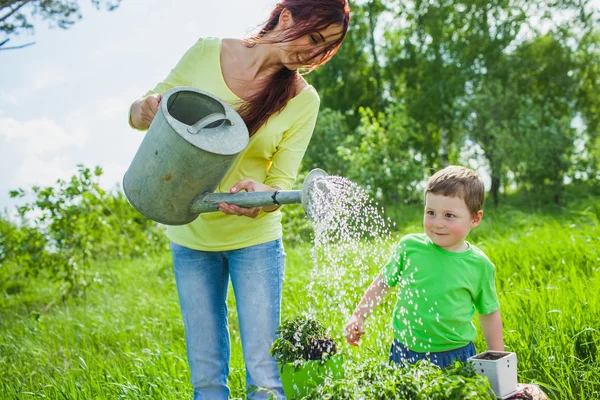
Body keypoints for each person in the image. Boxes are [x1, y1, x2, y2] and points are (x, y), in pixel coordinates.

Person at [128, 1, 350, 399]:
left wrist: (261, 199)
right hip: (191, 235)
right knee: (206, 372)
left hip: (256, 243)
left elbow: (280, 183)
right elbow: (142, 112)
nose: (313, 53)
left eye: (324, 48)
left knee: (265, 373)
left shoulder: (303, 99)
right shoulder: (206, 53)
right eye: (313, 37)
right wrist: (144, 110)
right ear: (286, 16)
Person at [344, 165, 504, 368]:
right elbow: (383, 283)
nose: (437, 223)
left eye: (449, 215)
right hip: (404, 351)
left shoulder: (479, 264)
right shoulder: (410, 247)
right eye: (431, 212)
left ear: (475, 218)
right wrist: (358, 315)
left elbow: (489, 313)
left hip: (454, 355)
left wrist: (499, 363)